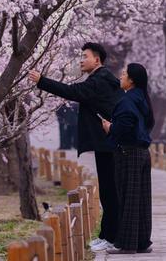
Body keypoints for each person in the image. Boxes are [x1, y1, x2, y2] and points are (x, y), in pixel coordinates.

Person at [28, 42, 122, 250]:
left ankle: (112, 237)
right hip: (107, 143)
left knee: (110, 192)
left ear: (96, 60)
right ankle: (108, 235)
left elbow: (73, 92)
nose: (81, 60)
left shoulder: (100, 80)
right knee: (108, 191)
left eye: (85, 56)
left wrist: (42, 81)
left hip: (109, 144)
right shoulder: (100, 79)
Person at [100, 63, 154, 254]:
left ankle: (127, 244)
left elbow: (123, 128)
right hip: (143, 153)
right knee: (142, 199)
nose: (120, 76)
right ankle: (141, 241)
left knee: (128, 198)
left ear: (131, 80)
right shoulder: (142, 98)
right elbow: (147, 123)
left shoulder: (126, 100)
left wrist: (109, 128)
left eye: (123, 74)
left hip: (128, 153)